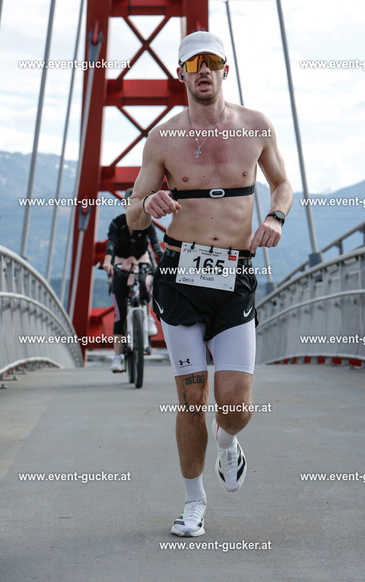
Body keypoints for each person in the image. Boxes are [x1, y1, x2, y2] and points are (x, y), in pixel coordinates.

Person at [127, 31, 293, 536]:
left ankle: (228, 442)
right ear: (180, 73)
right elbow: (134, 215)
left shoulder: (256, 125)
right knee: (192, 399)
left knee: (236, 406)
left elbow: (282, 183)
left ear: (225, 69)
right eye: (193, 62)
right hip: (180, 276)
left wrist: (276, 217)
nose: (203, 69)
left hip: (234, 275)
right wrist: (149, 204)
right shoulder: (163, 139)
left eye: (212, 61)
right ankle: (193, 501)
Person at [103, 188, 163, 372]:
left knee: (147, 283)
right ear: (124, 205)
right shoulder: (117, 223)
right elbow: (111, 243)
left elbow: (155, 244)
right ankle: (117, 356)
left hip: (141, 262)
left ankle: (147, 317)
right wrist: (107, 261)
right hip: (120, 265)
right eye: (130, 203)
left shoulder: (147, 223)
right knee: (120, 313)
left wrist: (164, 260)